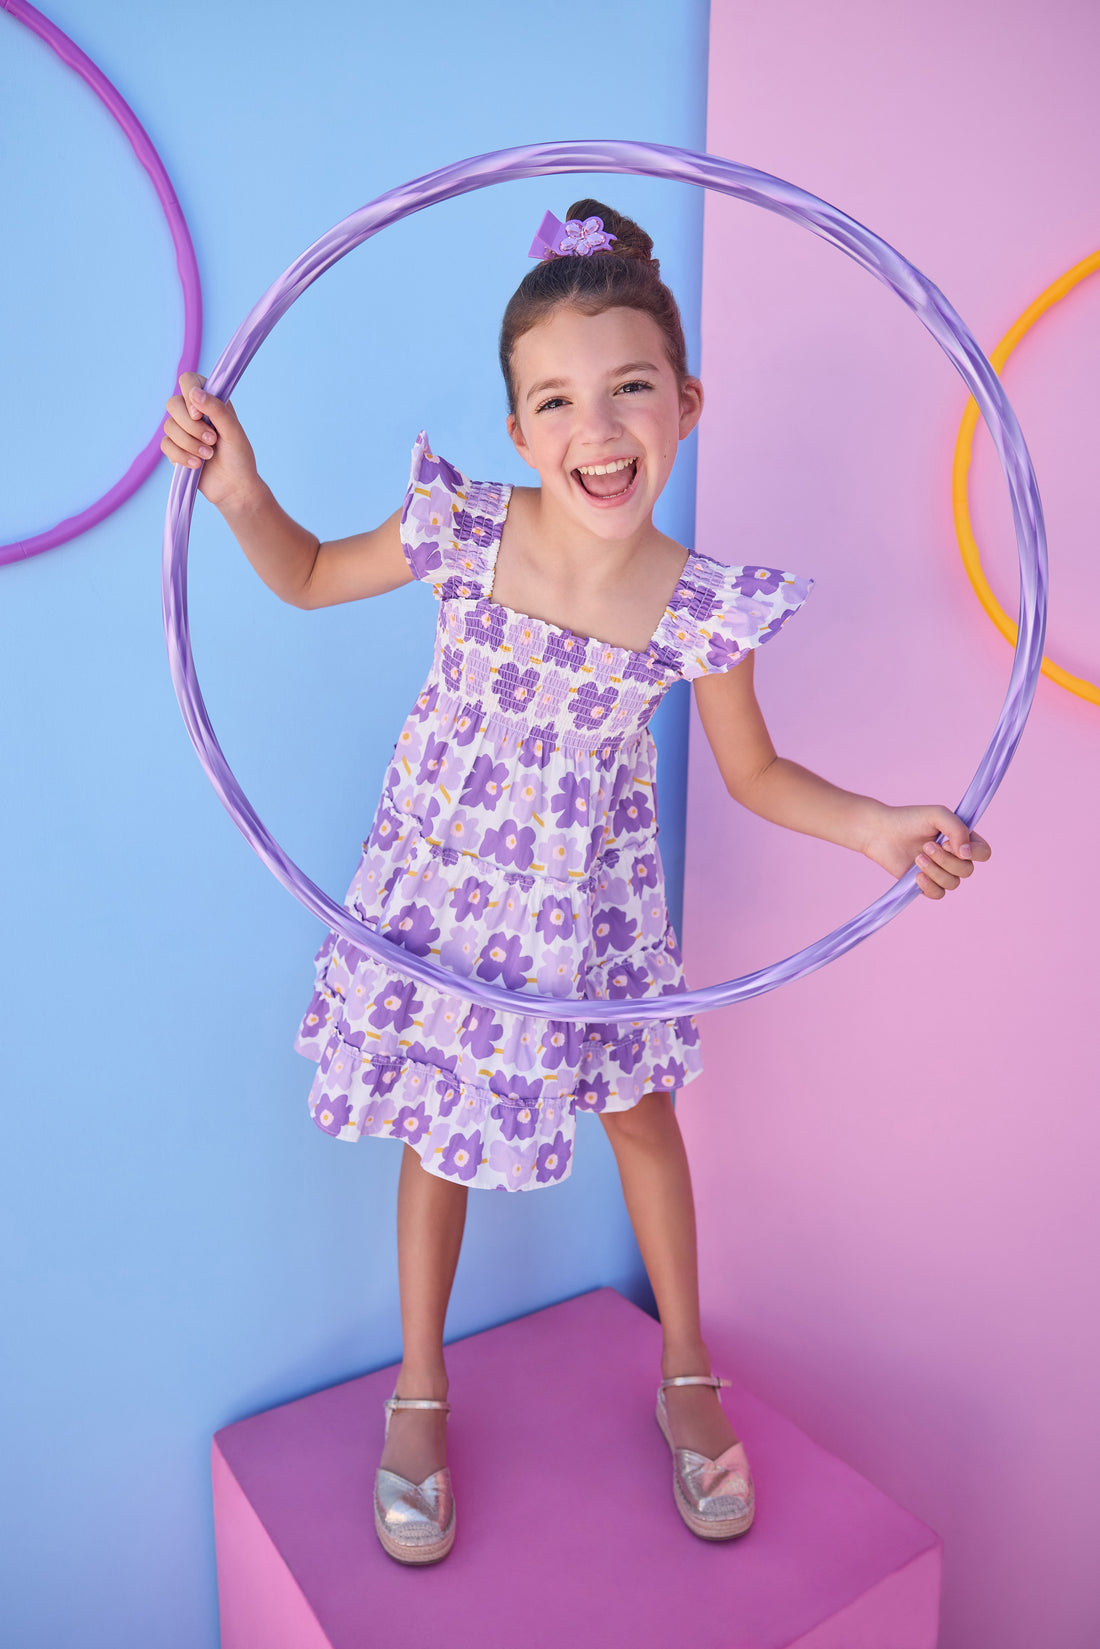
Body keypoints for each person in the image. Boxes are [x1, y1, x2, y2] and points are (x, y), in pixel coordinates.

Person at [161, 199, 990, 1565]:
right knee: (438, 1141)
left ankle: (685, 1367)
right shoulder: (467, 530)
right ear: (516, 432)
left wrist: (887, 826)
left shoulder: (699, 600)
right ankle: (418, 1389)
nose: (595, 431)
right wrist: (238, 486)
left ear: (687, 402)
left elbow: (760, 776)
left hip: (583, 912)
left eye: (628, 391)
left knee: (647, 1121)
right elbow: (305, 573)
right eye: (555, 401)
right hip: (442, 891)